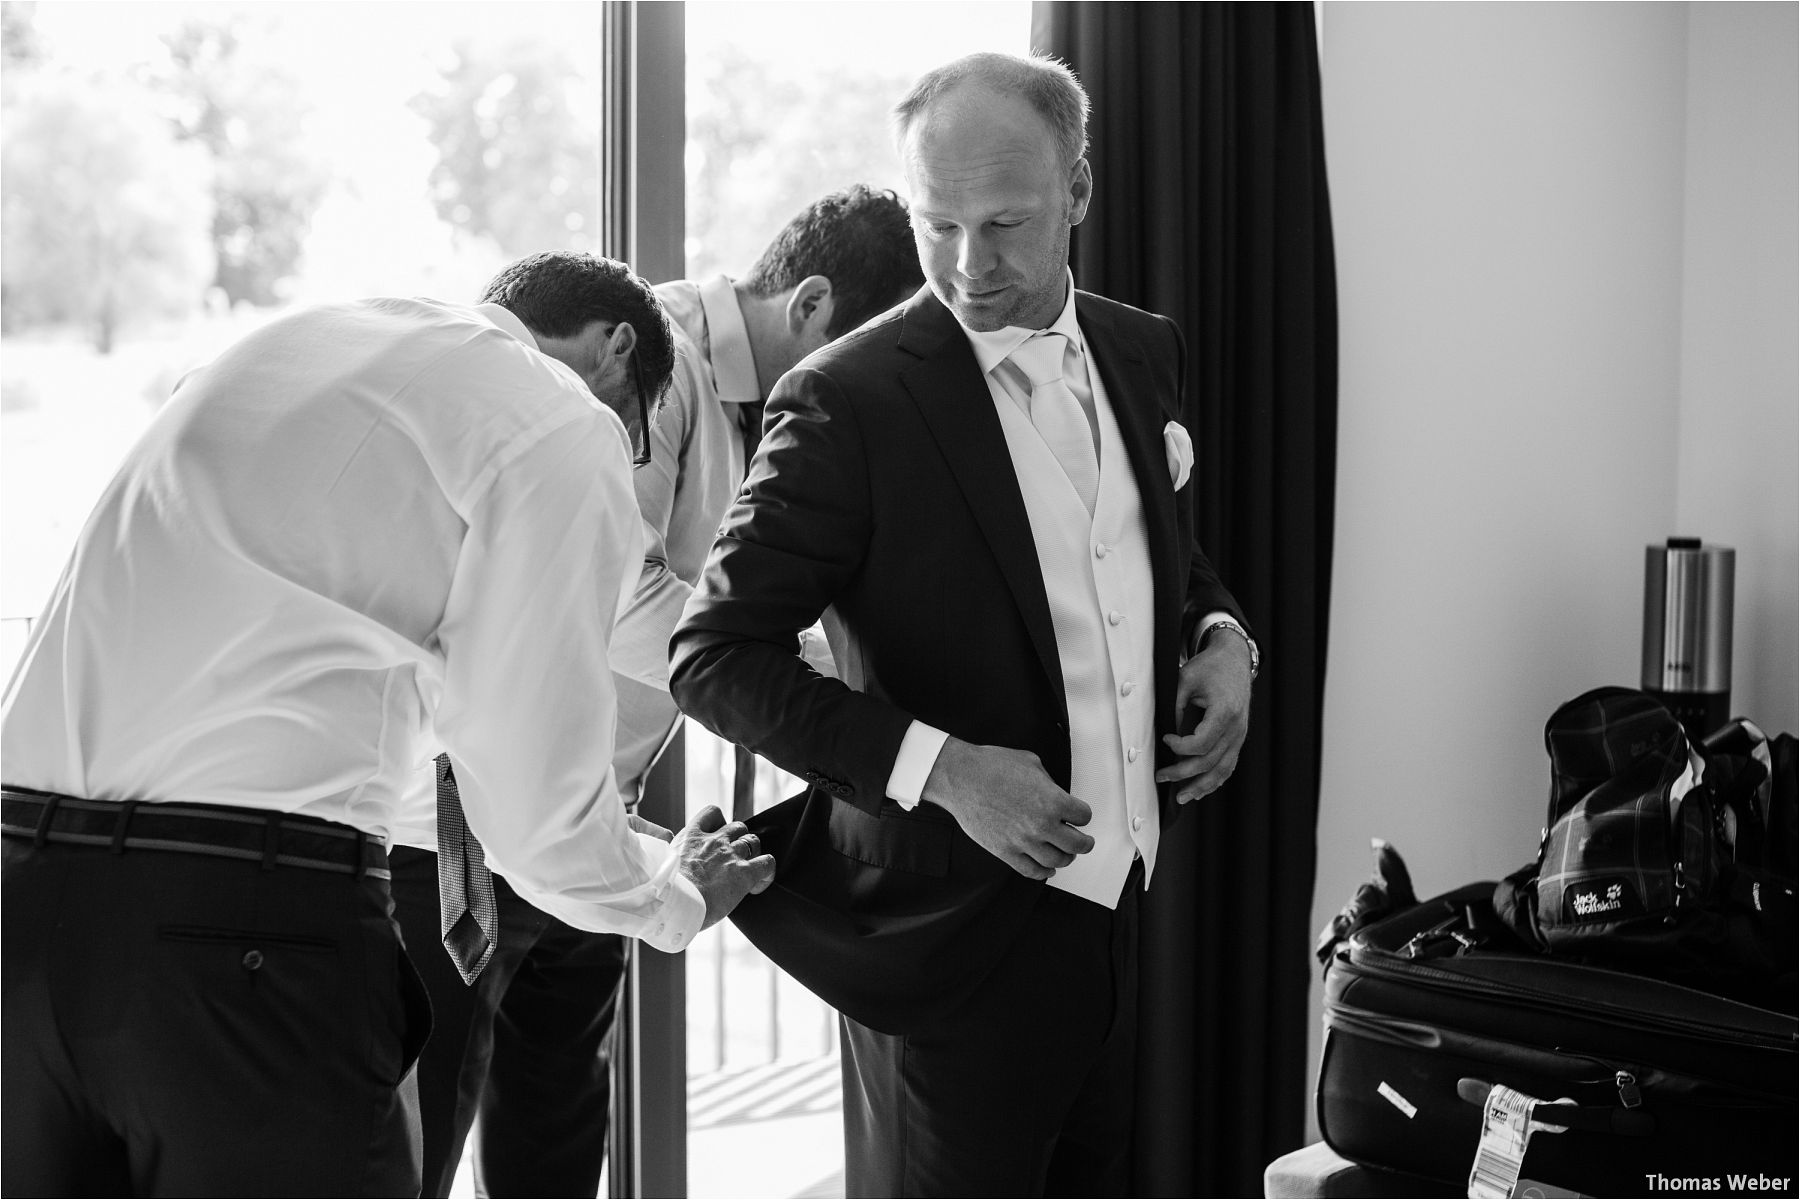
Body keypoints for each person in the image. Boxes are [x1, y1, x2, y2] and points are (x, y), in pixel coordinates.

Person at [0, 252, 775, 1198]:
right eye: (636, 435)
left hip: (21, 895)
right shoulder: (559, 418)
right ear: (618, 358)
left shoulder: (282, 345)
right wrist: (674, 895)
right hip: (242, 930)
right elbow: (534, 811)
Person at [670, 52, 1257, 1198]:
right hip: (941, 940)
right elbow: (713, 657)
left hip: (1118, 912)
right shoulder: (849, 399)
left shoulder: (1144, 352)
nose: (968, 266)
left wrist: (1228, 641)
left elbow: (1159, 563)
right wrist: (942, 772)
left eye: (1006, 224)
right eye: (937, 225)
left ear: (1078, 193)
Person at [386, 186, 922, 1198]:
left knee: (556, 1131)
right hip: (471, 819)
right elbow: (608, 585)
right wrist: (814, 686)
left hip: (601, 811)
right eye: (867, 346)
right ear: (810, 304)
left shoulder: (773, 406)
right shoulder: (641, 363)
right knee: (422, 1141)